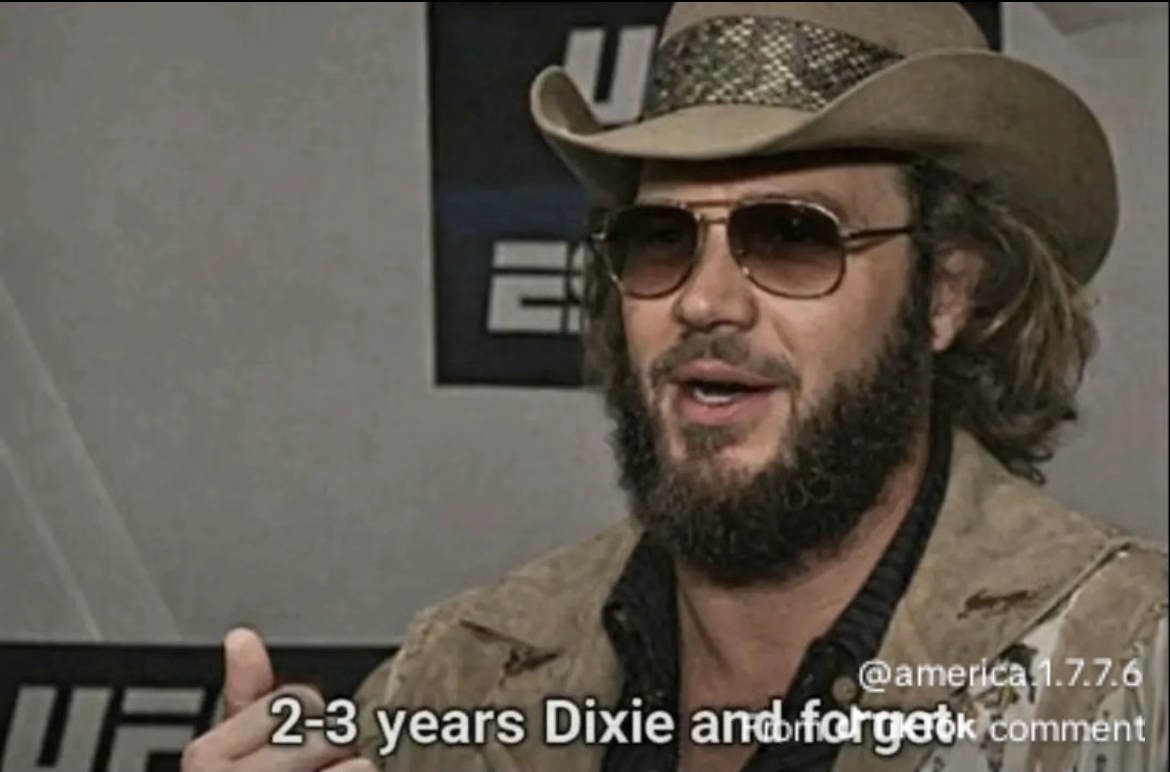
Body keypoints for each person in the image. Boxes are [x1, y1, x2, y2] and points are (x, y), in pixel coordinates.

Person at [181, 3, 1168, 772]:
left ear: (947, 293)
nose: (704, 300)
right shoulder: (462, 676)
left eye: (792, 236)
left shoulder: (1130, 679)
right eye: (661, 239)